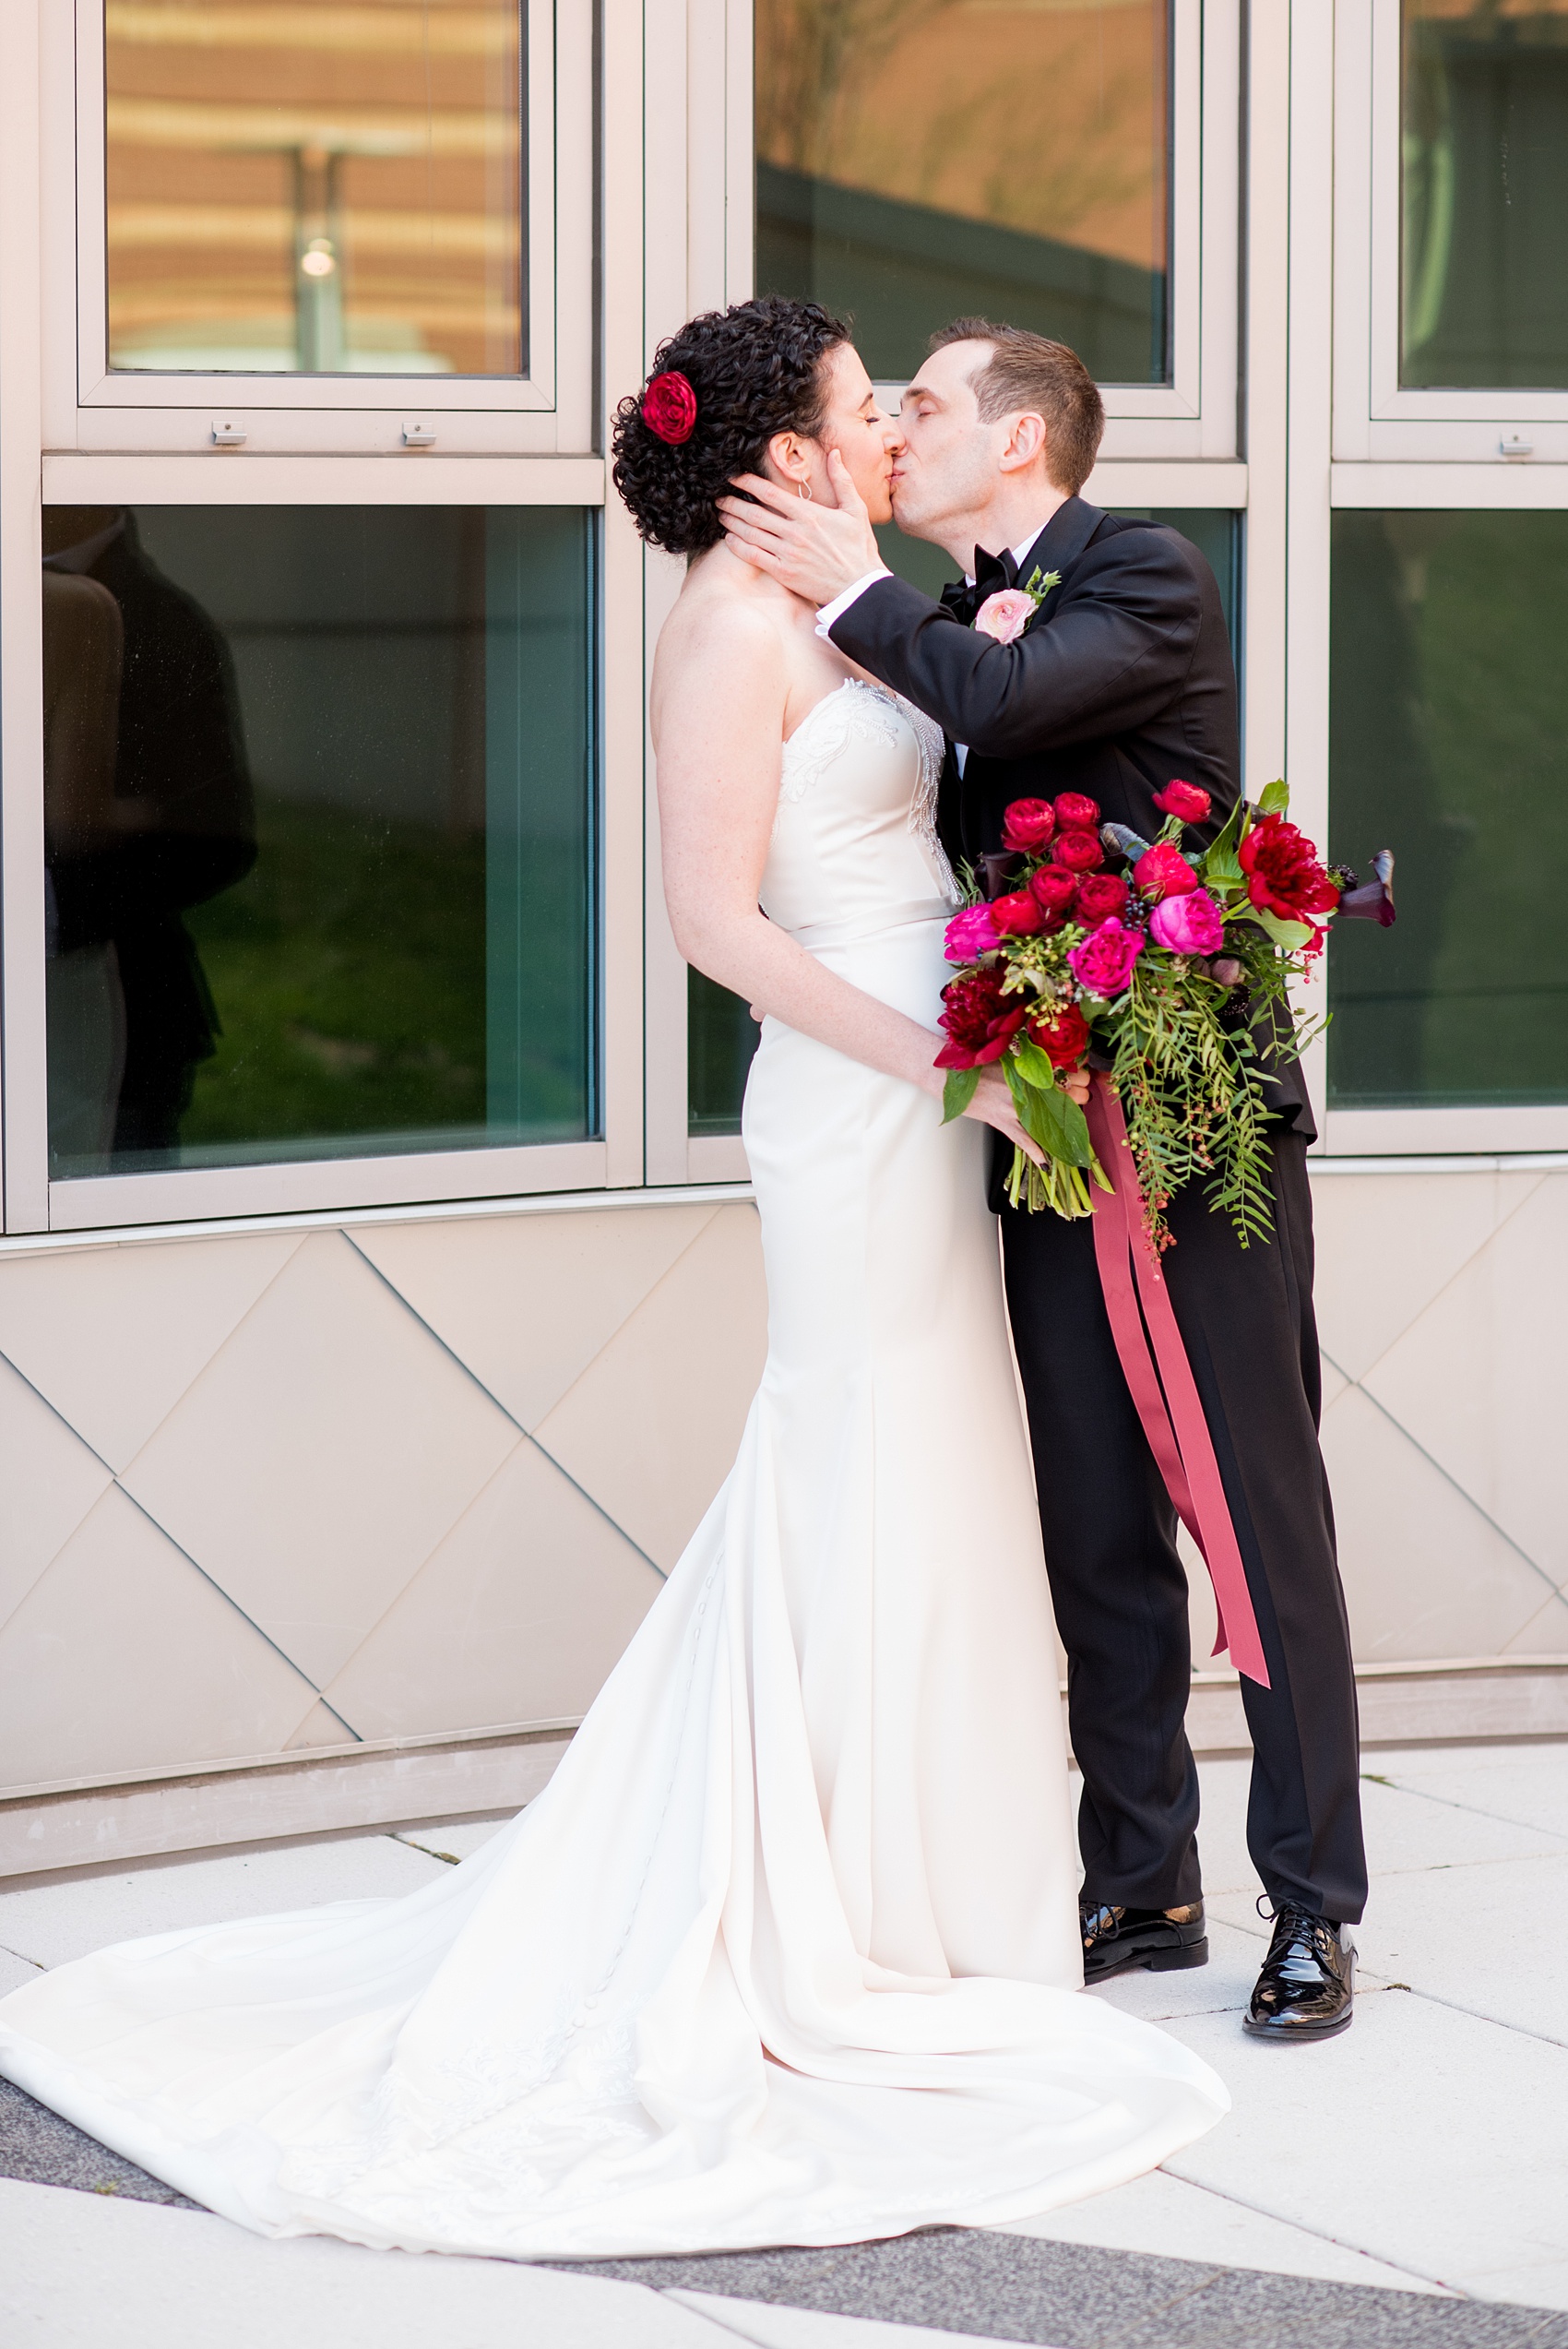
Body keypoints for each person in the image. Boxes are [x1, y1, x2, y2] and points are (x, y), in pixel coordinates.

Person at [0, 299, 1226, 2259]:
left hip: (945, 1075)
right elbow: (711, 923)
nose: (887, 436)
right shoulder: (728, 629)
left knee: (939, 1469)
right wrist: (954, 1069)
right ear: (778, 455)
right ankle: (830, 1914)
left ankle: (929, 1899)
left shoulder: (845, 599)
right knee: (863, 1456)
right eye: (855, 411)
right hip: (859, 1099)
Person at [719, 317, 1366, 2044]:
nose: (895, 432)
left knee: (1255, 1505)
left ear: (1018, 442)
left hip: (1191, 1119)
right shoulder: (928, 634)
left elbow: (1006, 701)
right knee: (1090, 1507)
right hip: (1030, 1125)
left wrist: (854, 580)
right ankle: (1139, 1881)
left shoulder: (1140, 574)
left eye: (921, 406)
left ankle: (1314, 1903)